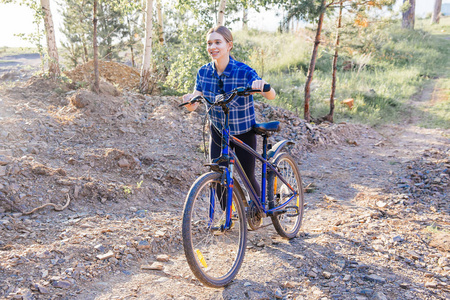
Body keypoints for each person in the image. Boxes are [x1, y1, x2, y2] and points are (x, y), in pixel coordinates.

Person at [182, 25, 276, 202]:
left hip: (243, 131)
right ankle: (228, 221)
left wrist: (262, 86)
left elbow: (270, 95)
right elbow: (196, 99)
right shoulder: (203, 72)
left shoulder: (243, 71)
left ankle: (259, 209)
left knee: (248, 177)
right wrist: (190, 101)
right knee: (218, 176)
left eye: (218, 42)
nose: (213, 47)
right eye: (209, 43)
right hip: (218, 131)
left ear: (229, 45)